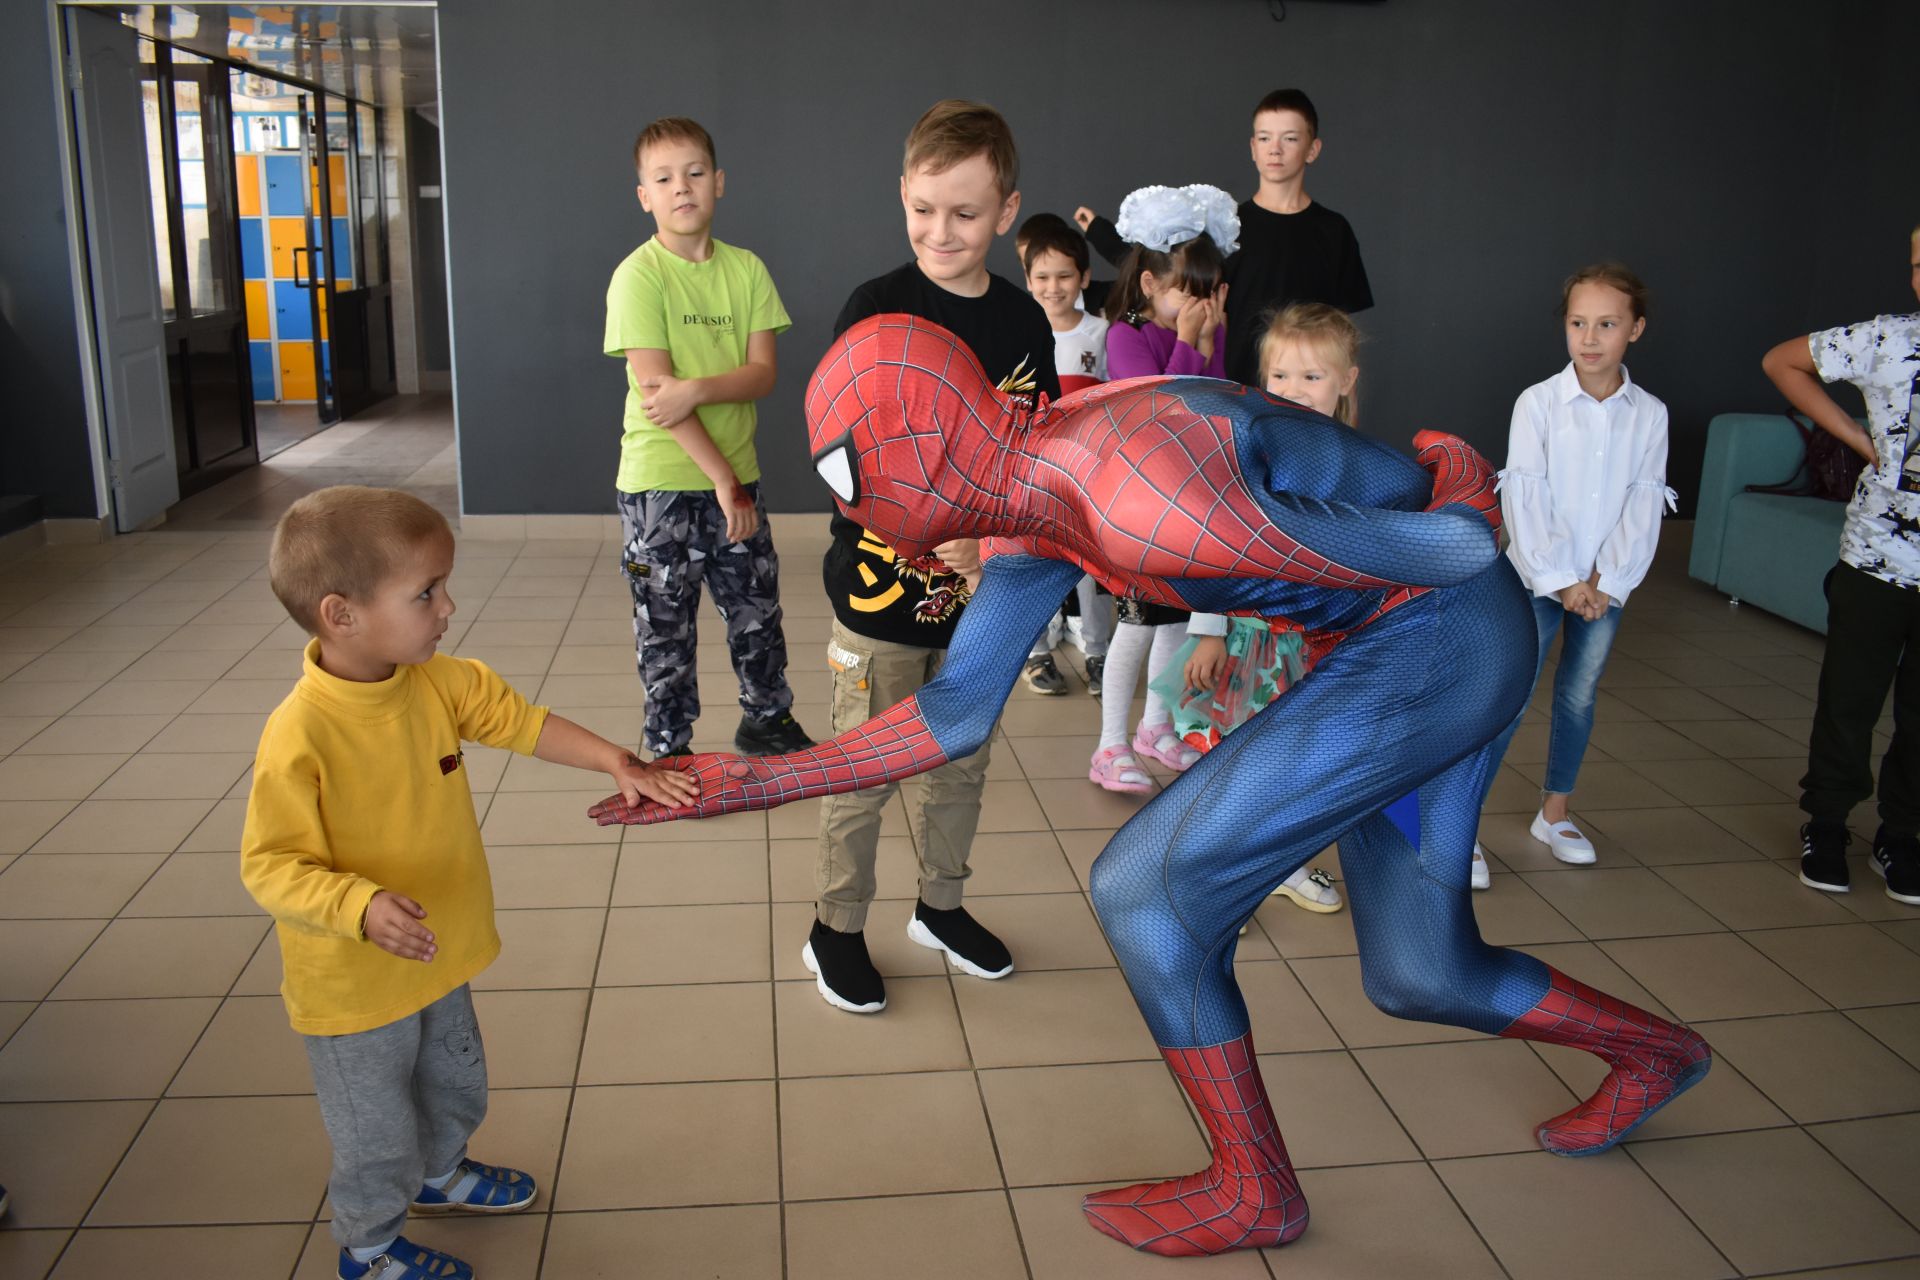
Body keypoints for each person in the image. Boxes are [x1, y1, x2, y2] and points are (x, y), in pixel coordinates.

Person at [592, 314, 1714, 1257]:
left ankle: (1255, 1186)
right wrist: (748, 782)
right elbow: (954, 709)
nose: (854, 512)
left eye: (850, 477)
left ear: (926, 449)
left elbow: (1460, 553)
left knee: (1144, 887)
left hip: (1436, 642)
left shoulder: (1131, 497)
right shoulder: (1037, 478)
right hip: (1415, 645)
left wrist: (1461, 468)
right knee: (1420, 969)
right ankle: (1660, 1053)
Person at [243, 486, 695, 1280]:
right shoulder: (299, 733)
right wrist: (358, 905)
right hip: (352, 990)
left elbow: (521, 720)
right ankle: (370, 1247)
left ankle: (442, 1173)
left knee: (454, 1078)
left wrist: (616, 761)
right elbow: (271, 865)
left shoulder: (435, 680)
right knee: (373, 1129)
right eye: (425, 594)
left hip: (437, 951)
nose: (448, 606)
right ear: (340, 615)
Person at [809, 99, 1061, 1014]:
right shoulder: (876, 308)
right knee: (864, 772)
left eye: (964, 212)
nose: (940, 231)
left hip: (981, 600)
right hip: (880, 599)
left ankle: (940, 908)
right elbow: (840, 457)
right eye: (923, 209)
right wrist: (925, 522)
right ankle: (834, 927)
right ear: (903, 197)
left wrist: (990, 538)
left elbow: (1034, 457)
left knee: (961, 766)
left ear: (1005, 209)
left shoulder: (1025, 324)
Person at [605, 115, 811, 760]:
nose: (681, 187)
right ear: (644, 195)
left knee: (756, 609)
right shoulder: (638, 276)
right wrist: (721, 478)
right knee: (664, 624)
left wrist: (695, 388)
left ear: (717, 182)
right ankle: (669, 745)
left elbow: (762, 374)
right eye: (663, 178)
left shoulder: (746, 271)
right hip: (660, 485)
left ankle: (766, 720)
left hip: (735, 478)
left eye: (694, 173)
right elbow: (658, 402)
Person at [1152, 302, 1365, 912]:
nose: (1292, 391)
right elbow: (1212, 548)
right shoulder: (1249, 452)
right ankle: (1210, 879)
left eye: (1312, 377)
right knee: (1230, 762)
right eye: (1280, 376)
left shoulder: (1354, 458)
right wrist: (1208, 628)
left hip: (1318, 641)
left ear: (1347, 381)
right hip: (1249, 640)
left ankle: (1282, 865)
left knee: (1293, 763)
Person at [1481, 264, 1674, 874]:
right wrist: (1563, 579)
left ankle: (1555, 812)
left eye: (1607, 324)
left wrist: (1607, 583)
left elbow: (1645, 501)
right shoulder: (1537, 404)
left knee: (1579, 694)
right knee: (1504, 697)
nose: (1590, 338)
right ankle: (1463, 825)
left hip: (1603, 586)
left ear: (1635, 330)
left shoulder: (1650, 415)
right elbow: (1525, 497)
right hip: (1539, 579)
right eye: (1578, 323)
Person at [1763, 224, 1920, 904]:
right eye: (1919, 263)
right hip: (1876, 559)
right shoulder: (1888, 338)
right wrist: (1855, 434)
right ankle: (1826, 825)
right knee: (1849, 700)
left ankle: (1902, 833)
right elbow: (1781, 362)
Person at [1089, 185, 1234, 794]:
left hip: (1190, 498)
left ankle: (1156, 726)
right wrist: (1189, 344)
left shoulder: (1203, 329)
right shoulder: (1123, 335)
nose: (1198, 306)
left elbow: (1218, 397)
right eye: (1185, 293)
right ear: (1148, 284)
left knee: (1175, 617)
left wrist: (1206, 341)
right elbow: (1160, 407)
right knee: (1137, 622)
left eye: (1207, 295)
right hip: (1138, 502)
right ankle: (1108, 746)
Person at [1220, 88, 1373, 386]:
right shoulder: (1226, 225)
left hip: (1308, 397)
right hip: (1237, 394)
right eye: (1265, 138)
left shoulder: (1333, 230)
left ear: (1312, 149)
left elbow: (1342, 329)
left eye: (1289, 138)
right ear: (1253, 147)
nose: (1274, 149)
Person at [1023, 214, 1115, 692]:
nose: (1052, 287)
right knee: (1032, 562)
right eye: (1041, 277)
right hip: (1029, 470)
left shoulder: (1100, 333)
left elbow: (1114, 399)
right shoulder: (1015, 328)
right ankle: (1035, 652)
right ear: (1027, 279)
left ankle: (1097, 651)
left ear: (1083, 278)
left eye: (1064, 276)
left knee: (1088, 563)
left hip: (1084, 471)